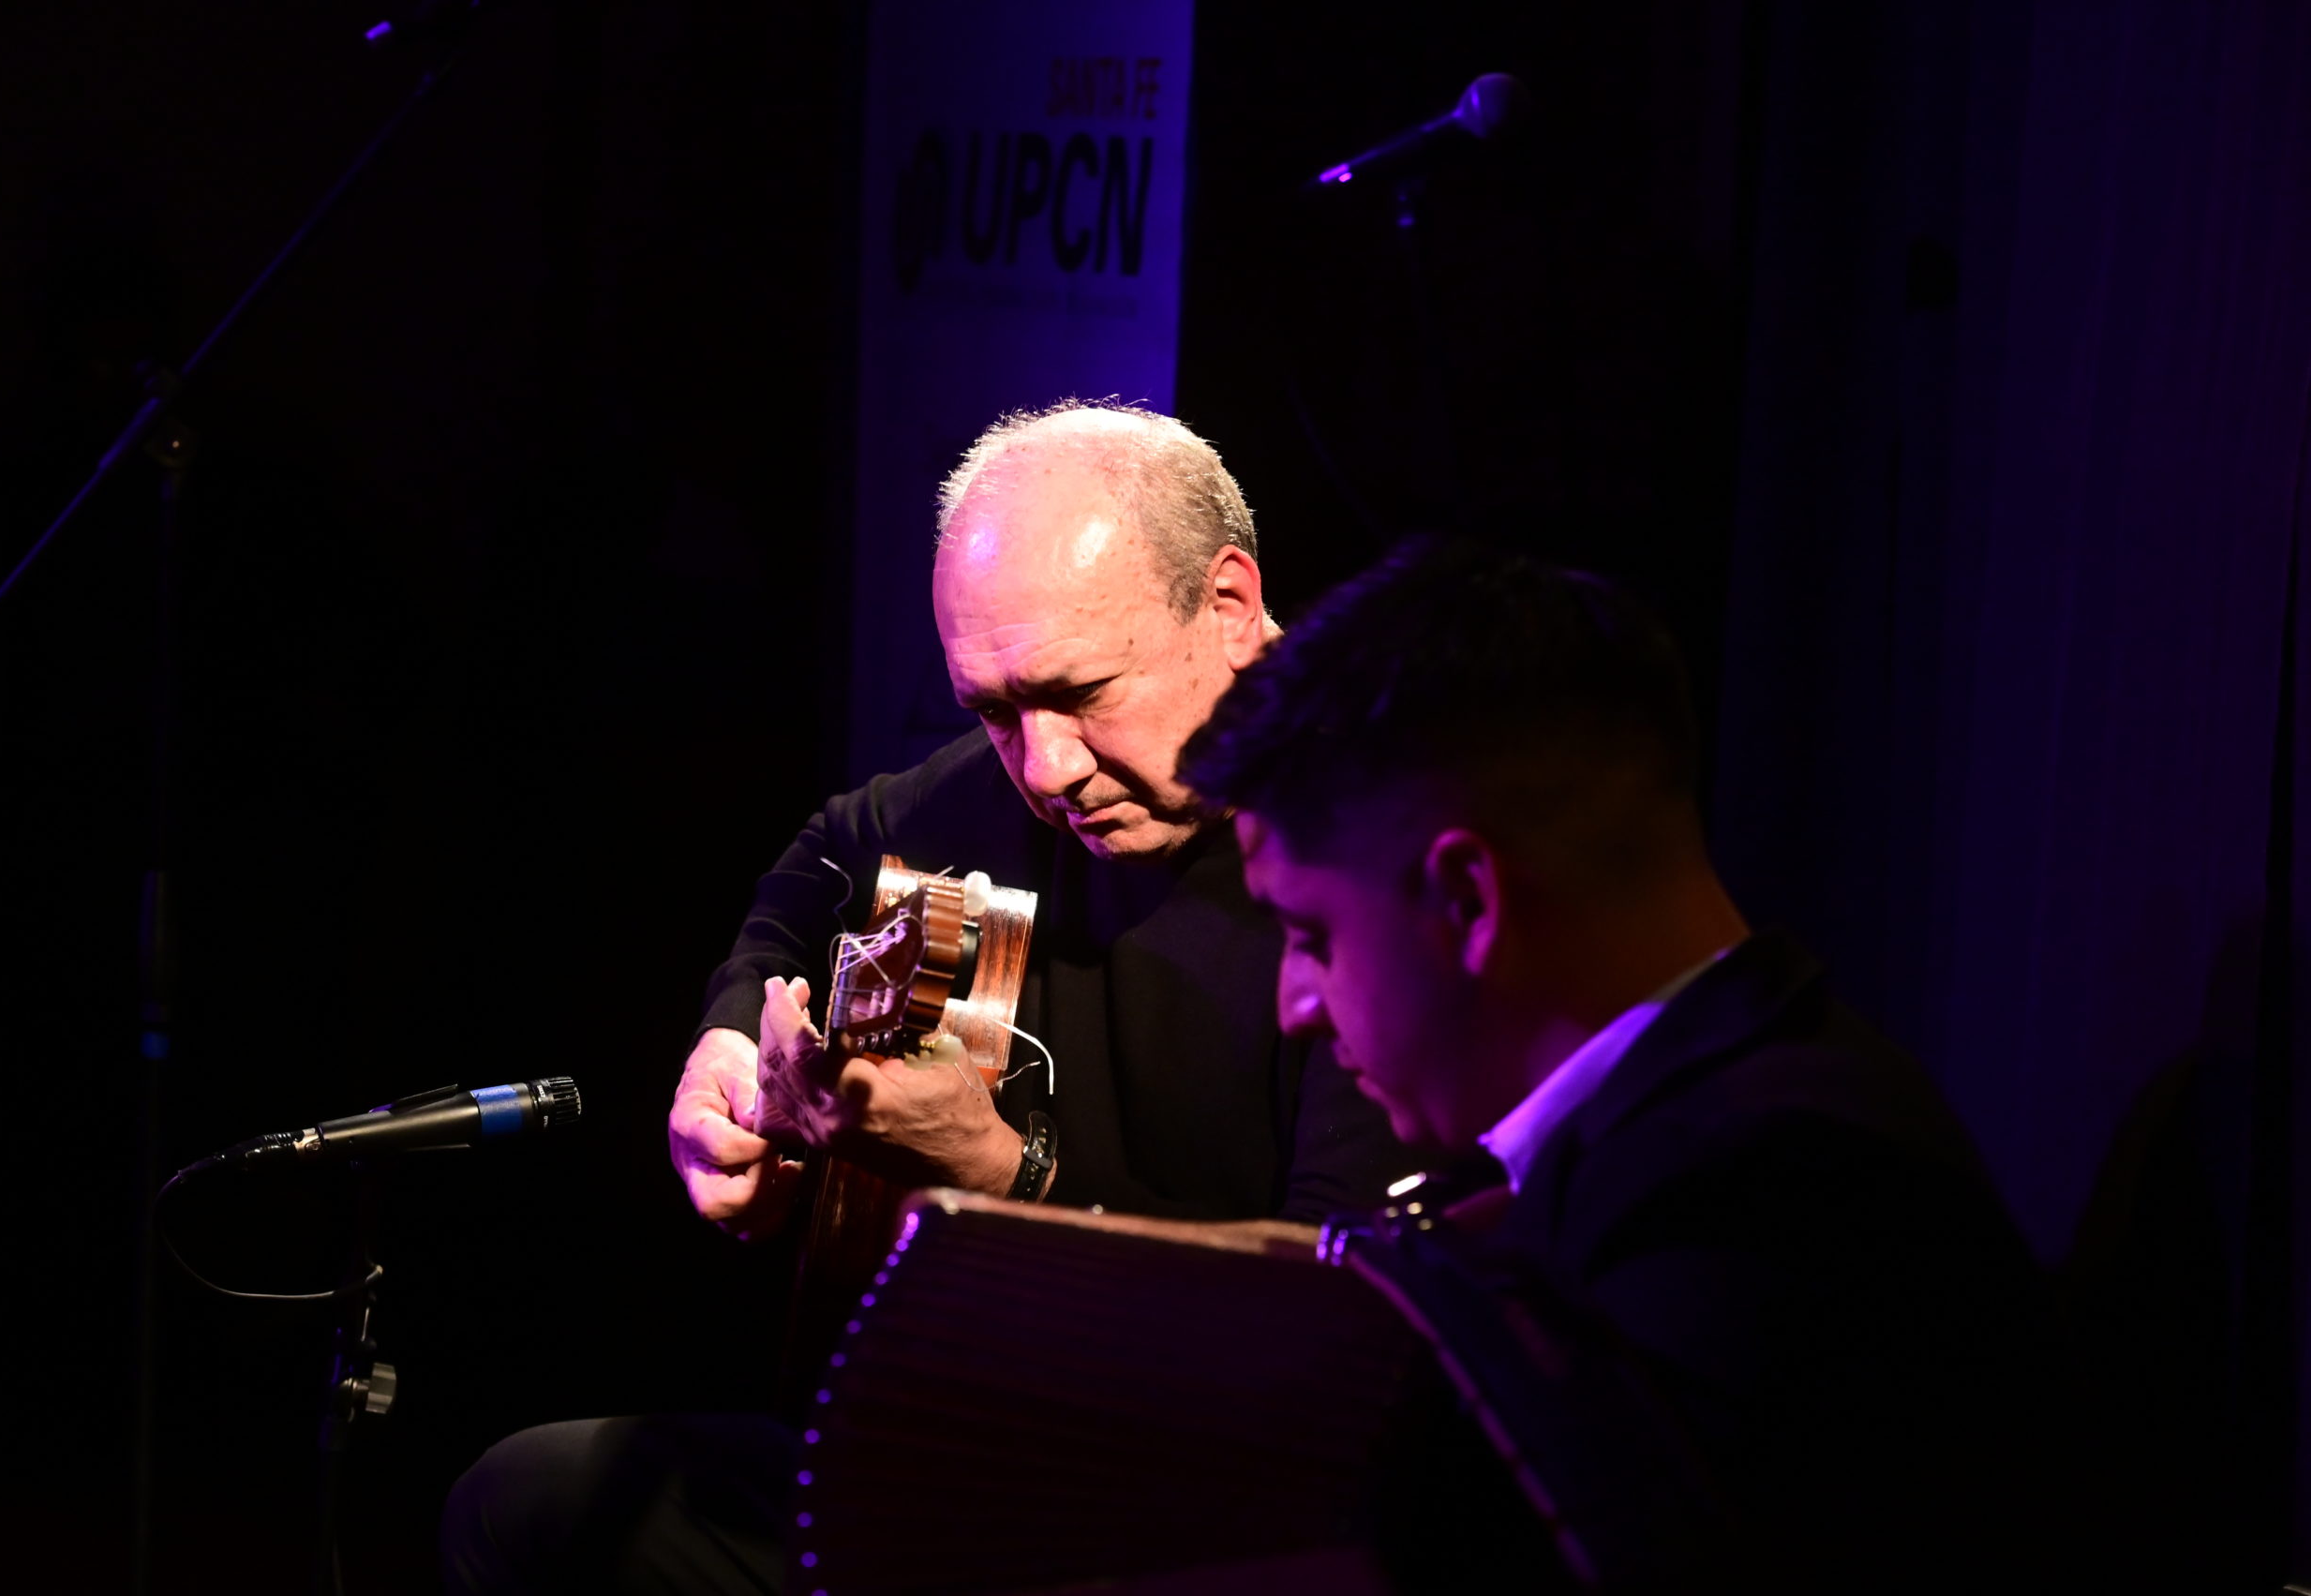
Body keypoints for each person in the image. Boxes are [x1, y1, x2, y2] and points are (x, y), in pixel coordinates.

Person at [441, 404, 1413, 1592]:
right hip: (966, 1459)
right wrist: (730, 1041)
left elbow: (1327, 1335)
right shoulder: (1006, 790)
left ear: (1226, 603)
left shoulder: (1381, 846)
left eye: (1082, 691)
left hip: (1220, 1518)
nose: (1046, 768)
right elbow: (824, 858)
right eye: (993, 711)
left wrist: (1006, 1175)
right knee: (534, 1503)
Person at [1176, 536, 2055, 1589]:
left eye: (1310, 935)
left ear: (1466, 900)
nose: (1295, 1008)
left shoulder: (1761, 1208)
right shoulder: (1750, 1122)